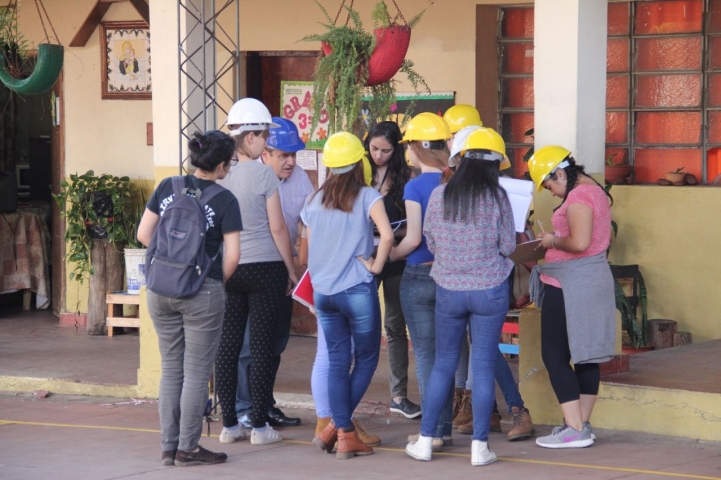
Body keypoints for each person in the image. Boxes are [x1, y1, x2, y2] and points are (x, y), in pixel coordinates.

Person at [406, 127, 515, 467]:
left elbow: (431, 240)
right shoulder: (498, 198)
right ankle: (480, 448)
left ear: (461, 160)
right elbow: (508, 247)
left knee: (443, 365)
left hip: (449, 291)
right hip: (489, 292)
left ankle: (425, 441)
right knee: (482, 368)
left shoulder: (440, 195)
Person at [138, 130, 241, 467]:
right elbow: (233, 257)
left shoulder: (168, 187)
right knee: (197, 372)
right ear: (222, 164)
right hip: (201, 292)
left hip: (159, 290)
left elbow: (143, 234)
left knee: (171, 369)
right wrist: (210, 282)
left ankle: (169, 448)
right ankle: (189, 448)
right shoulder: (225, 199)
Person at [303, 131, 394, 460]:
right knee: (367, 358)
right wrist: (375, 266)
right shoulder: (368, 195)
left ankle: (341, 433)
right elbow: (386, 236)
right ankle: (340, 431)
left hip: (324, 294)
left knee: (338, 362)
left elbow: (310, 248)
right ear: (359, 162)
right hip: (355, 289)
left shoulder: (314, 200)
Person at [215, 98, 299, 447]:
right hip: (266, 268)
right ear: (250, 137)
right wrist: (292, 270)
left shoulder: (219, 174)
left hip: (229, 268)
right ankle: (261, 427)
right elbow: (278, 227)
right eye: (264, 135)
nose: (267, 143)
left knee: (229, 345)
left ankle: (229, 425)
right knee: (263, 348)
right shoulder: (264, 173)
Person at [448, 126, 535, 442]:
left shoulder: (499, 193)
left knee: (484, 349)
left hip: (490, 278)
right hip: (468, 280)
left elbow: (508, 240)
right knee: (480, 347)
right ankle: (496, 412)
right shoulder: (456, 189)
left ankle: (515, 410)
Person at [527, 145, 616, 449]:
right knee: (586, 354)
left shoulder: (578, 197)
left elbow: (579, 242)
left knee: (554, 355)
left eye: (549, 184)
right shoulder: (596, 191)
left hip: (569, 284)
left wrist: (551, 240)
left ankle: (574, 428)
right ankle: (582, 425)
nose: (550, 192)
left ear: (561, 173)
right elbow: (606, 240)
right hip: (594, 278)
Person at [234, 117, 313, 429]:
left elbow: (306, 223)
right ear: (264, 153)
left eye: (294, 155)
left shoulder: (301, 180)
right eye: (284, 155)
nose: (291, 162)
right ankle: (243, 406)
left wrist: (299, 265)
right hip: (250, 271)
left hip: (284, 272)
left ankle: (265, 404)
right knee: (248, 343)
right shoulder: (245, 179)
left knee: (275, 343)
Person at [389, 112, 455, 452]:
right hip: (449, 276)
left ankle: (430, 432)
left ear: (416, 147)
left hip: (418, 276)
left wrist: (391, 254)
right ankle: (443, 429)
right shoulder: (454, 181)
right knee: (445, 356)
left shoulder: (415, 186)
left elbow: (413, 238)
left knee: (427, 357)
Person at [365, 121, 420, 419]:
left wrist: (394, 235)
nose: (379, 156)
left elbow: (416, 225)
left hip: (397, 257)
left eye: (386, 150)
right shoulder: (360, 174)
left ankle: (398, 395)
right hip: (366, 255)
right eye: (374, 149)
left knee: (395, 327)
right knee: (361, 324)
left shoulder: (407, 177)